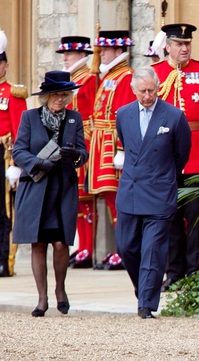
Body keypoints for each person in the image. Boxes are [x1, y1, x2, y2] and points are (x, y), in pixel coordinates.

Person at [151, 23, 199, 291]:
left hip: (198, 155)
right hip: (165, 157)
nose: (184, 48)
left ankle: (194, 271)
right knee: (169, 218)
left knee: (196, 218)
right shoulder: (156, 73)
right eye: (178, 44)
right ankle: (174, 273)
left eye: (187, 43)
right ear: (167, 46)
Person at [115, 66, 191, 319]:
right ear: (133, 90)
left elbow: (181, 154)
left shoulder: (174, 116)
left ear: (158, 88)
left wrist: (164, 175)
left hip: (159, 192)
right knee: (126, 247)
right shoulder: (123, 114)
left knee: (152, 249)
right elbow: (128, 145)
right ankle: (144, 288)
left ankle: (146, 303)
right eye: (142, 91)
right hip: (131, 189)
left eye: (152, 90)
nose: (147, 96)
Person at [12, 71, 88, 316]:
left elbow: (83, 154)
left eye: (65, 95)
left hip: (62, 188)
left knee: (61, 242)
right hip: (36, 187)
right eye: (56, 95)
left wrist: (74, 155)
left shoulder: (74, 118)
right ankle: (42, 299)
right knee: (38, 243)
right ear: (46, 97)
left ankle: (60, 290)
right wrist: (36, 162)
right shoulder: (30, 117)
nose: (61, 100)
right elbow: (18, 151)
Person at [89, 30, 136, 269]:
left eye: (105, 50)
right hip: (101, 141)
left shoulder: (126, 76)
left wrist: (121, 148)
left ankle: (123, 250)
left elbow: (125, 116)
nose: (102, 54)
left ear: (118, 51)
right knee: (110, 199)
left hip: (111, 142)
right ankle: (119, 249)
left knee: (118, 198)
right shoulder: (111, 75)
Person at [0, 29, 28, 278]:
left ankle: (5, 261)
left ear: (6, 66)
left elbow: (21, 129)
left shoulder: (13, 93)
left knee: (4, 211)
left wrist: (17, 164)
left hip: (1, 156)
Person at [58, 35, 98, 269]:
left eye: (69, 53)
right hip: (69, 143)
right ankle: (82, 246)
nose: (65, 57)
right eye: (64, 53)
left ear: (82, 56)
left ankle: (90, 248)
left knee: (87, 198)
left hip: (84, 142)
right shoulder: (71, 80)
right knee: (79, 201)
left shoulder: (88, 79)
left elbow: (92, 113)